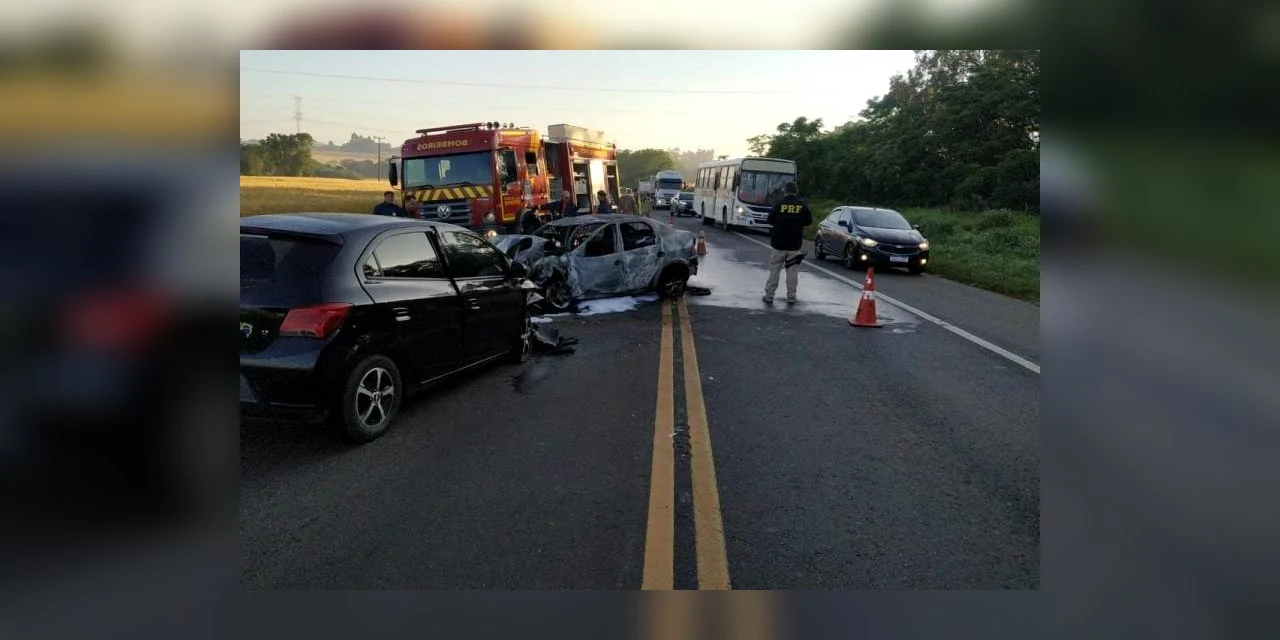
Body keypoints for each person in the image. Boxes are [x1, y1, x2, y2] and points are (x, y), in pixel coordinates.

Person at [762, 181, 813, 304]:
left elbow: (770, 220)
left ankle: (769, 296)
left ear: (785, 191)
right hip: (794, 244)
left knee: (774, 269)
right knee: (792, 270)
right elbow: (808, 221)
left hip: (778, 244)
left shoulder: (779, 204)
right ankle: (791, 296)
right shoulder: (802, 205)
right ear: (796, 191)